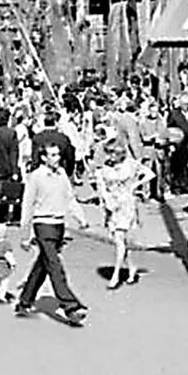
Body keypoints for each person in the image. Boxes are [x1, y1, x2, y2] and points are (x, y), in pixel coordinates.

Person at [14, 142, 90, 326]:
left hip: (58, 224)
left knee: (44, 264)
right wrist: (26, 233)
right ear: (43, 157)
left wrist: (81, 218)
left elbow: (69, 197)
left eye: (58, 155)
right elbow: (28, 204)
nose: (57, 159)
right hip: (43, 224)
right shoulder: (36, 177)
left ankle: (25, 301)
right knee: (55, 265)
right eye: (53, 155)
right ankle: (71, 307)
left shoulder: (62, 174)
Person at [95, 139, 154, 289]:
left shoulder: (131, 164)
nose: (110, 157)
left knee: (120, 239)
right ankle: (132, 269)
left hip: (126, 204)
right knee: (118, 240)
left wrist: (135, 185)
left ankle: (116, 275)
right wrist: (105, 202)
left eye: (112, 153)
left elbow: (149, 174)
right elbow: (101, 188)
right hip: (112, 205)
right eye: (108, 153)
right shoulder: (104, 168)